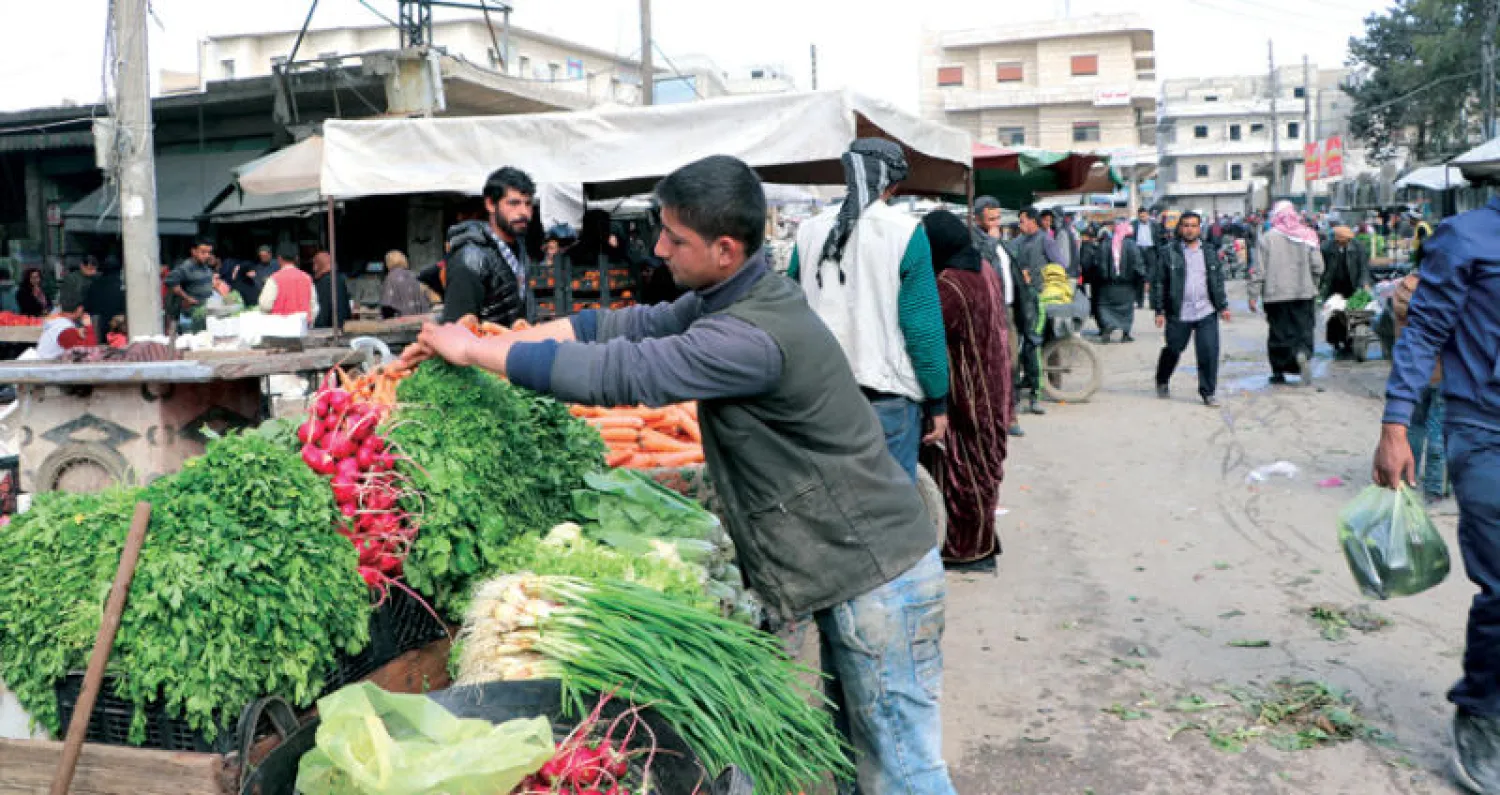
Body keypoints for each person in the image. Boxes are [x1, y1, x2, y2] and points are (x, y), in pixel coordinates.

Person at [401, 154, 957, 794]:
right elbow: (620, 325)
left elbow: (623, 374)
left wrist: (473, 351)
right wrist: (498, 335)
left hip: (876, 573)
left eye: (674, 237)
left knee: (902, 769)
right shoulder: (735, 297)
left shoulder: (747, 336)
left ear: (725, 248)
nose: (658, 247)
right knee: (861, 756)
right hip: (855, 568)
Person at [1371, 197, 1500, 793]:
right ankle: (1483, 713)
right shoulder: (1467, 237)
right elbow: (1423, 330)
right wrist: (1396, 426)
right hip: (1483, 429)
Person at [787, 138, 950, 478]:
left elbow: (788, 307)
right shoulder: (906, 233)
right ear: (893, 184)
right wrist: (938, 399)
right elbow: (922, 328)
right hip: (885, 400)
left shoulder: (809, 231)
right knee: (888, 511)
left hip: (818, 399)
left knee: (829, 502)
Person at [919, 209, 1011, 570]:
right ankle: (982, 541)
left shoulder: (951, 284)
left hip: (969, 390)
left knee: (964, 470)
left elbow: (929, 333)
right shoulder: (981, 268)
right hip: (994, 383)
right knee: (983, 467)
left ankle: (969, 550)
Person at [1153, 212, 1231, 407]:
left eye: (1193, 225)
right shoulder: (1169, 252)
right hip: (1179, 311)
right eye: (1186, 225)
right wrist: (1159, 310)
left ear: (1199, 228)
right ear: (1180, 228)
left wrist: (1222, 306)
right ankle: (1162, 379)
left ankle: (1208, 392)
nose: (1189, 229)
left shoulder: (1210, 251)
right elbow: (1159, 282)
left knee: (1208, 351)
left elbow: (1217, 281)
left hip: (1206, 310)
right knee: (1173, 348)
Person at [442, 166, 532, 326]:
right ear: (490, 204)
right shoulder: (470, 259)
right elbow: (456, 331)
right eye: (514, 203)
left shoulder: (520, 249)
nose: (524, 212)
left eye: (528, 204)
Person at [1249, 201, 1325, 386]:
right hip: (1304, 293)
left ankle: (1278, 372)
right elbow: (1318, 267)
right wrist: (1313, 284)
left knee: (1279, 333)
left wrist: (1253, 295)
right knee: (1303, 330)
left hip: (1275, 295)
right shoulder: (1308, 235)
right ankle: (1302, 354)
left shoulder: (1267, 238)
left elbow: (1259, 271)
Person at [972, 197, 1029, 438]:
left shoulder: (1002, 243)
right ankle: (997, 416)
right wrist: (991, 241)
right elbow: (977, 267)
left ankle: (1009, 411)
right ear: (977, 218)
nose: (995, 223)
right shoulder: (975, 240)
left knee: (1012, 363)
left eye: (997, 218)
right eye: (990, 219)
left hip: (1008, 309)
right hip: (988, 311)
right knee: (992, 365)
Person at [1389, 269, 1448, 502]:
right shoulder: (1445, 291)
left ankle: (1406, 480)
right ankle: (1434, 488)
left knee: (1414, 427)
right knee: (1437, 430)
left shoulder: (1404, 287)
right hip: (1442, 372)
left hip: (1411, 371)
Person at [1010, 206, 1051, 416]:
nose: (1020, 224)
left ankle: (1036, 396)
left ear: (1033, 221)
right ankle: (1015, 396)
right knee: (1014, 349)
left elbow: (1060, 265)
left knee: (1032, 346)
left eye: (1023, 220)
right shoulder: (1014, 244)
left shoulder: (1045, 240)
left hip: (1037, 300)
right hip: (1017, 301)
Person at [1083, 220, 1144, 343]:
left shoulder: (1105, 244)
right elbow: (1138, 266)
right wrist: (1141, 280)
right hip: (1126, 286)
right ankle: (1125, 333)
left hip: (1106, 286)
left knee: (1105, 307)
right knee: (1126, 310)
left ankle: (1107, 327)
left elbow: (1096, 264)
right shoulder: (1132, 245)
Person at [1320, 225, 1373, 353]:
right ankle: (1335, 341)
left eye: (1348, 239)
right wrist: (1321, 284)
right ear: (1337, 239)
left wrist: (1364, 283)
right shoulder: (1327, 248)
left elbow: (1363, 267)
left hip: (1351, 284)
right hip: (1334, 285)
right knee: (1335, 314)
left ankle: (1350, 341)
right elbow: (1323, 267)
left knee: (1352, 314)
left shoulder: (1358, 247)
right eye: (1343, 239)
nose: (1346, 241)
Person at [257, 243, 318, 324]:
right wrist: (309, 322)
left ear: (279, 259)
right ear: (296, 258)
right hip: (302, 327)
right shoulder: (307, 278)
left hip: (280, 327)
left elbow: (265, 305)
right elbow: (314, 306)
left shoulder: (274, 279)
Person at [165, 238, 217, 329]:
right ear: (194, 251)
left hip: (205, 313)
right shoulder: (186, 267)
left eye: (209, 253)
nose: (207, 255)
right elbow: (171, 281)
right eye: (203, 252)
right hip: (191, 316)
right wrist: (187, 298)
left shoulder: (205, 267)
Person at [379, 250, 432, 318]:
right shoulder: (414, 275)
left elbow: (387, 306)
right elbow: (427, 300)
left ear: (389, 262)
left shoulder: (390, 278)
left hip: (402, 323)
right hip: (421, 321)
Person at [84, 255, 126, 335]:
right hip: (118, 327)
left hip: (99, 328)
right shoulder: (122, 286)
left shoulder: (94, 285)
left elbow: (87, 307)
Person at [312, 252, 352, 330]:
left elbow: (323, 310)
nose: (314, 268)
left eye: (315, 264)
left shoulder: (324, 282)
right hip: (343, 326)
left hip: (330, 330)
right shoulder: (339, 278)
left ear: (319, 264)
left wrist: (317, 327)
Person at [1132, 207, 1163, 308]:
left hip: (1151, 251)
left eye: (1144, 216)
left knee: (1152, 277)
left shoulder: (1155, 225)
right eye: (1140, 216)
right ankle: (1139, 302)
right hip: (1139, 251)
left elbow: (1159, 239)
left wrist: (1159, 253)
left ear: (1148, 215)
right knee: (1140, 275)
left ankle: (1153, 303)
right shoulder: (1134, 224)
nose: (1142, 218)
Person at [1039, 209, 1072, 277]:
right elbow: (1061, 261)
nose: (1048, 223)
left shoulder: (1053, 233)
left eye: (1050, 221)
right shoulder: (1045, 237)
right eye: (1045, 220)